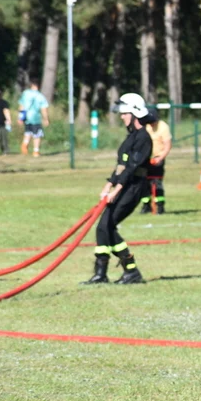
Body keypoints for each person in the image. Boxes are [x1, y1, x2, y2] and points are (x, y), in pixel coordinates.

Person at [82, 93, 153, 285]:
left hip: (134, 188)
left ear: (134, 113)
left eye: (124, 113)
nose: (121, 116)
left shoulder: (144, 138)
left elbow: (132, 168)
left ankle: (128, 271)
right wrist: (108, 184)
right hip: (124, 185)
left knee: (106, 226)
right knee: (104, 227)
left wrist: (116, 190)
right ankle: (106, 272)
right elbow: (121, 166)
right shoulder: (131, 138)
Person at [140, 110, 173, 214]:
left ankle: (160, 206)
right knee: (144, 183)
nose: (151, 124)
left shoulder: (163, 127)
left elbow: (167, 146)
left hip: (157, 158)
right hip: (146, 158)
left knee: (157, 183)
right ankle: (146, 205)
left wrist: (160, 158)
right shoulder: (145, 126)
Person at [18, 82, 49, 157]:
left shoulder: (25, 93)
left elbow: (21, 106)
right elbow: (43, 109)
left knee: (28, 132)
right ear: (38, 86)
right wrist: (46, 119)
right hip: (35, 118)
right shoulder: (40, 96)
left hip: (26, 117)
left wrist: (20, 118)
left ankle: (25, 144)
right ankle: (36, 151)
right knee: (37, 135)